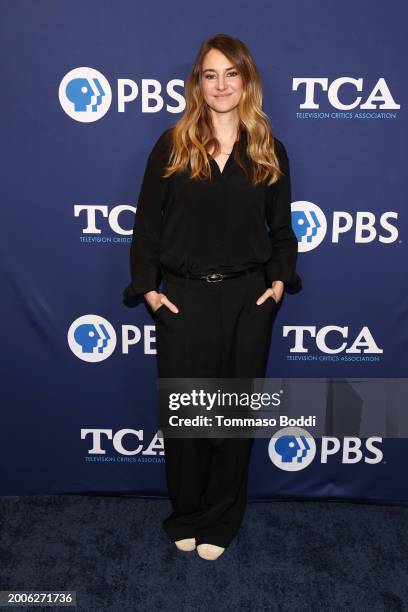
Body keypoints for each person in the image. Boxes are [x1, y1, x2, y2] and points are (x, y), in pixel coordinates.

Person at [123, 33, 302, 561]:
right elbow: (146, 230)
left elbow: (282, 231)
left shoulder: (268, 147)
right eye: (210, 74)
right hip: (183, 299)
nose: (221, 85)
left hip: (250, 300)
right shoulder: (173, 144)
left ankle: (222, 519)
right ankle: (186, 514)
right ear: (197, 83)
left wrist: (277, 280)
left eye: (231, 73)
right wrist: (151, 292)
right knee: (187, 421)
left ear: (246, 80)